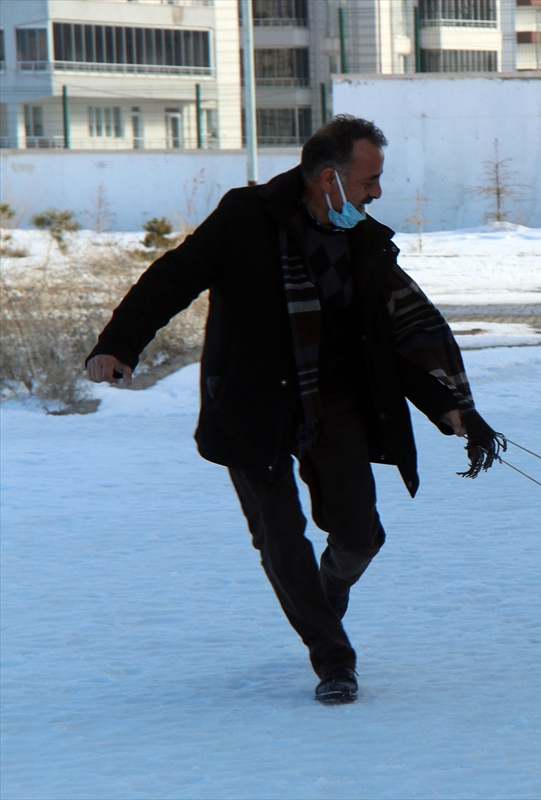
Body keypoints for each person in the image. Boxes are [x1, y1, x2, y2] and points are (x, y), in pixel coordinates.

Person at [85, 115, 503, 705]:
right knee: (281, 538)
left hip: (333, 401)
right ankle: (333, 659)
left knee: (358, 536)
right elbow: (173, 278)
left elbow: (392, 337)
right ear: (329, 178)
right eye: (369, 179)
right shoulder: (246, 217)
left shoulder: (359, 237)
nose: (377, 191)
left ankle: (322, 601)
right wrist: (117, 344)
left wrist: (452, 410)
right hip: (251, 405)